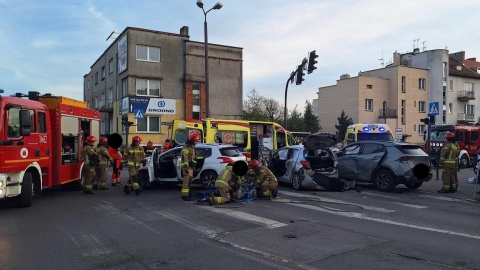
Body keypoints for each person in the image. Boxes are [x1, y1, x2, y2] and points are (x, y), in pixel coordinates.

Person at [180, 133, 200, 200]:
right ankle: (184, 196)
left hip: (190, 168)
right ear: (192, 140)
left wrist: (194, 165)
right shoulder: (186, 147)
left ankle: (187, 194)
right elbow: (184, 158)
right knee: (187, 181)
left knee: (190, 181)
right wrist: (187, 166)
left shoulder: (192, 147)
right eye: (196, 141)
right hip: (187, 168)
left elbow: (192, 157)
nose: (197, 142)